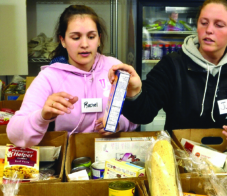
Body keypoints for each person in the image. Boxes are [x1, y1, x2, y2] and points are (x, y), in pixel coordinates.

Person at [109, 0, 227, 144]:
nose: (209, 30)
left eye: (219, 25)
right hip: (182, 160)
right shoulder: (173, 64)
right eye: (203, 23)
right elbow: (143, 114)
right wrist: (135, 91)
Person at [7, 5, 137, 148]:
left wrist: (119, 123)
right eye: (76, 37)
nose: (85, 44)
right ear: (62, 40)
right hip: (69, 159)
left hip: (111, 156)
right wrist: (42, 116)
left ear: (99, 39)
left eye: (91, 37)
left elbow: (136, 117)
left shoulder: (115, 69)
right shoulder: (49, 77)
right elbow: (14, 134)